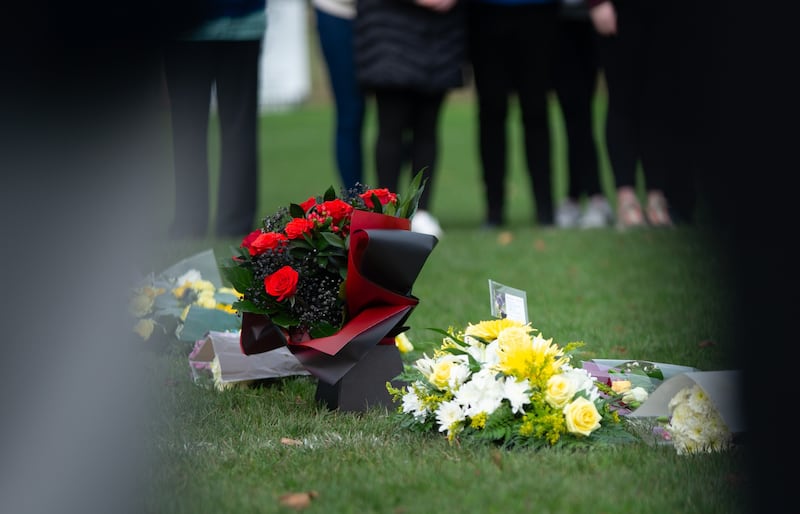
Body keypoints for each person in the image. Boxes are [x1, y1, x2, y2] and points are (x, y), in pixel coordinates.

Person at [354, 0, 469, 238]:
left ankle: (422, 211)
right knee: (390, 126)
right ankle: (387, 212)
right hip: (387, 28)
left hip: (440, 33)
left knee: (428, 127)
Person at [162, 0, 267, 238]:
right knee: (237, 129)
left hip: (192, 26)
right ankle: (233, 224)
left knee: (188, 129)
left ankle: (191, 224)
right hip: (237, 22)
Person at [587, 0, 695, 228]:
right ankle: (627, 199)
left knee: (657, 101)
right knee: (621, 99)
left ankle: (657, 196)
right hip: (618, 9)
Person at [468, 0, 559, 229]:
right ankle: (494, 210)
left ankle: (545, 209)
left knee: (536, 110)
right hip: (487, 12)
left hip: (538, 11)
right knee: (491, 112)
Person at [551, 0, 613, 229]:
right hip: (556, 18)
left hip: (598, 17)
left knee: (583, 112)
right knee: (573, 111)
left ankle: (594, 197)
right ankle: (577, 197)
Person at [312, 0, 367, 191]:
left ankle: (393, 202)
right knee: (350, 112)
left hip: (387, 15)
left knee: (397, 113)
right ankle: (356, 201)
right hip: (337, 12)